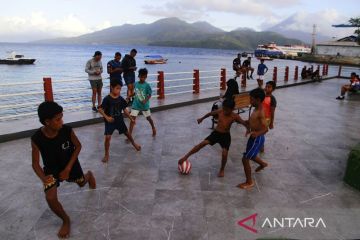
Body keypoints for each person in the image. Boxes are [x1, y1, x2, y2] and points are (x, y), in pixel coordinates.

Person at [31, 102, 96, 238]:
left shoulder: (66, 130)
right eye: (58, 119)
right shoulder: (36, 138)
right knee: (50, 197)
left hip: (71, 166)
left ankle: (88, 176)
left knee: (81, 183)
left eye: (62, 117)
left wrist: (67, 169)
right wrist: (44, 178)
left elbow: (78, 146)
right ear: (47, 122)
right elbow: (35, 164)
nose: (62, 121)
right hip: (51, 170)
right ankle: (65, 220)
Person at [178, 99, 248, 178]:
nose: (224, 111)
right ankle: (185, 157)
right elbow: (210, 114)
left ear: (232, 109)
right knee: (202, 143)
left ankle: (222, 169)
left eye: (227, 110)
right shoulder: (221, 111)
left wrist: (248, 128)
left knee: (224, 153)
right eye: (224, 108)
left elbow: (243, 122)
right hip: (216, 134)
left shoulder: (235, 116)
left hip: (225, 136)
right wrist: (201, 118)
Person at [98, 80, 141, 163]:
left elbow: (124, 109)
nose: (119, 91)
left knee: (128, 134)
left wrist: (131, 118)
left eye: (120, 89)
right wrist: (106, 117)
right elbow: (100, 109)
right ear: (112, 87)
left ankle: (134, 144)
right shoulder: (107, 99)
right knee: (107, 138)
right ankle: (106, 154)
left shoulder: (120, 98)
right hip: (110, 122)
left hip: (119, 121)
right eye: (117, 88)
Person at [237, 88, 268, 189]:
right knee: (252, 155)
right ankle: (263, 164)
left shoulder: (261, 112)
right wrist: (246, 123)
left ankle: (249, 182)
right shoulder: (255, 108)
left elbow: (265, 129)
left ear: (258, 100)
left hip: (257, 138)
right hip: (253, 137)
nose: (250, 101)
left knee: (245, 159)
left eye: (252, 99)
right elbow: (253, 121)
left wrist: (257, 133)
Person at [129, 68, 157, 137]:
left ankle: (153, 127)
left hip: (144, 105)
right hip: (136, 105)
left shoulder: (147, 85)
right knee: (132, 119)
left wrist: (145, 100)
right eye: (141, 77)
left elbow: (149, 94)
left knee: (148, 118)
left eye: (144, 77)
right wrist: (129, 96)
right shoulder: (135, 84)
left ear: (146, 77)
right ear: (138, 76)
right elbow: (135, 93)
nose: (142, 78)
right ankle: (129, 135)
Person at [261, 81, 277, 152]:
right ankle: (260, 146)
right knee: (259, 133)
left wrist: (271, 123)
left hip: (266, 119)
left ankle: (261, 147)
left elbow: (272, 112)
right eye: (266, 86)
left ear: (273, 89)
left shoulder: (272, 99)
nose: (267, 88)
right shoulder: (262, 96)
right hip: (260, 117)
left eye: (269, 87)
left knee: (261, 133)